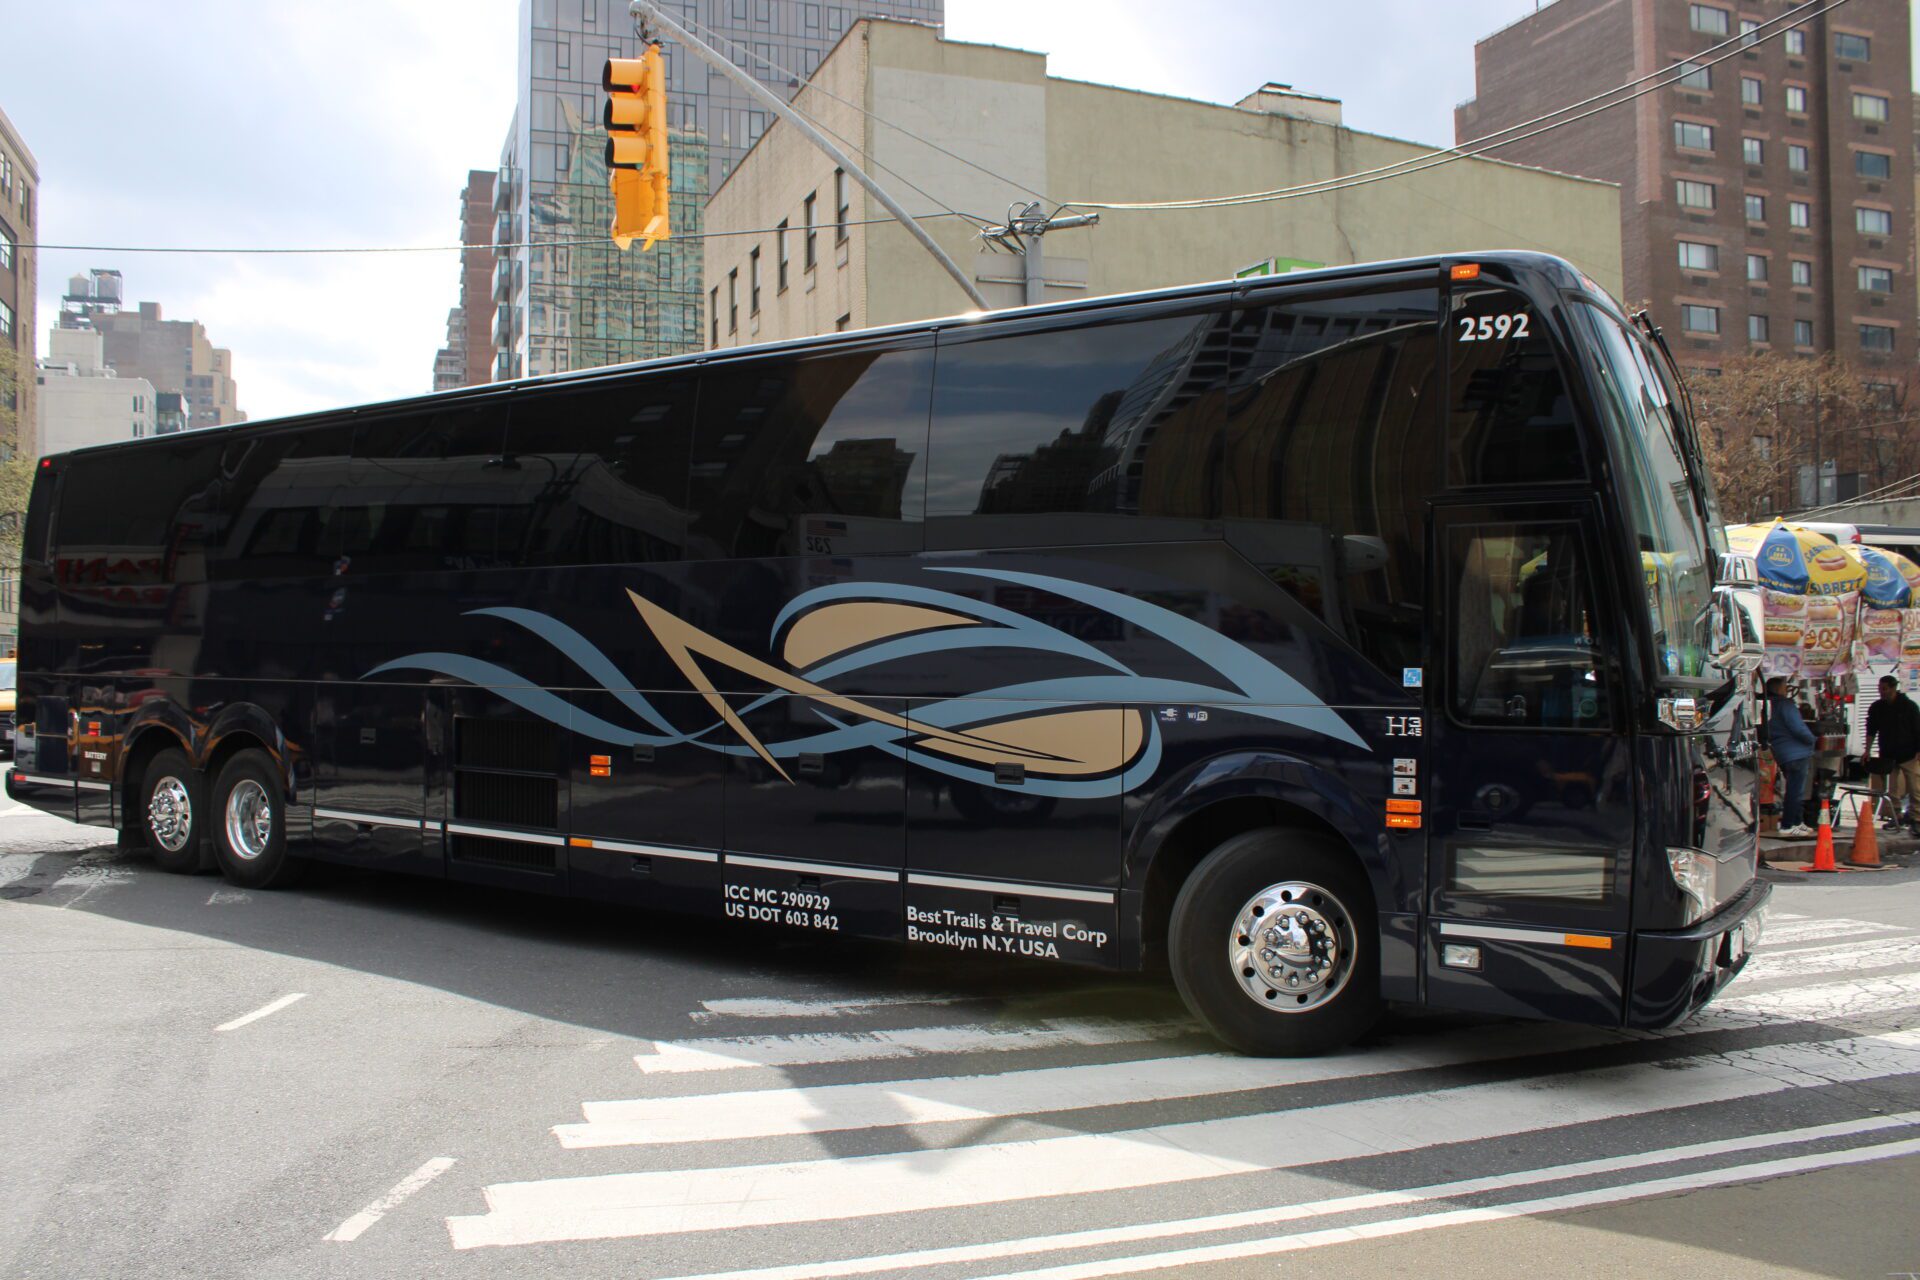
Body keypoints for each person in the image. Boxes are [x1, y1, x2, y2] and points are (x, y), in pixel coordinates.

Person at [1864, 674, 1920, 830]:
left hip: (1909, 753)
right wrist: (1867, 750)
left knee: (1915, 787)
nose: (1881, 692)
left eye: (1884, 689)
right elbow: (1871, 730)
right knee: (1891, 788)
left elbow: (1917, 729)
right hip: (1888, 754)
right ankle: (1896, 816)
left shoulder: (1909, 706)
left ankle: (1917, 818)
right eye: (1880, 689)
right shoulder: (1877, 707)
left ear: (1893, 688)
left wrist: (1919, 750)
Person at [1765, 675, 1817, 838]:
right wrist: (1812, 739)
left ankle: (1797, 822)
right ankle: (1788, 825)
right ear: (1779, 689)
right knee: (1795, 791)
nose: (1787, 689)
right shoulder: (1785, 704)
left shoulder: (1767, 704)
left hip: (1782, 752)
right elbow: (1797, 727)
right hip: (1796, 752)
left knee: (1795, 789)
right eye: (1785, 686)